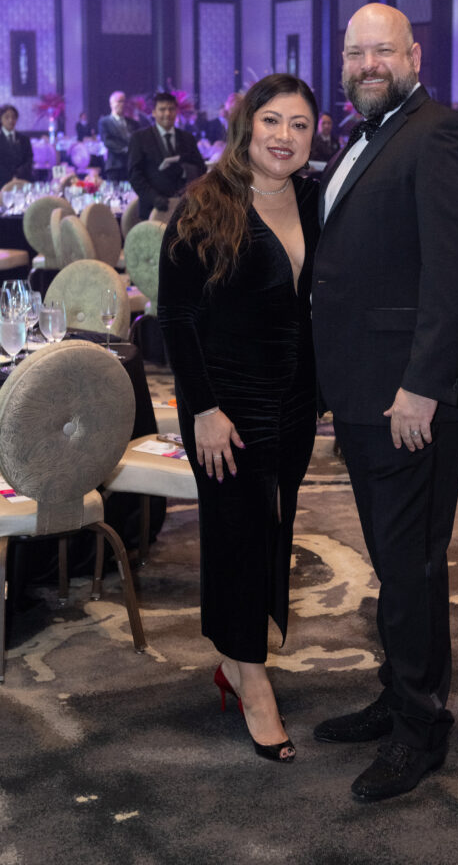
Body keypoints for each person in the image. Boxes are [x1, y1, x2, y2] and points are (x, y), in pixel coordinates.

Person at [311, 3, 458, 800]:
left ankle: (421, 729)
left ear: (413, 54)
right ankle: (398, 695)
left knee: (410, 564)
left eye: (381, 50)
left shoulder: (439, 133)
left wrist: (420, 386)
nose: (366, 63)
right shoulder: (366, 136)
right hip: (364, 391)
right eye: (354, 53)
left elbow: (452, 276)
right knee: (393, 562)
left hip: (408, 397)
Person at [157, 73, 319, 764]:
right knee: (235, 536)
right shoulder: (204, 205)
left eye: (300, 125)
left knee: (270, 530)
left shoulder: (315, 199)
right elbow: (177, 318)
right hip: (226, 403)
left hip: (294, 401)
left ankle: (236, 656)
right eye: (272, 121)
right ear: (246, 126)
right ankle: (251, 681)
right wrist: (204, 410)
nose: (284, 137)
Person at [127, 92, 206, 219]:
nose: (167, 114)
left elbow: (201, 169)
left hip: (185, 210)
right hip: (153, 209)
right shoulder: (140, 138)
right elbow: (135, 175)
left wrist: (186, 171)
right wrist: (155, 198)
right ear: (154, 112)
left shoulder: (187, 138)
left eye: (171, 109)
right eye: (162, 109)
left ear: (176, 111)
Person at [98, 91, 138, 182]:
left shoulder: (133, 123)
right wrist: (126, 150)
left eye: (124, 101)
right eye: (119, 101)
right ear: (111, 104)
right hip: (115, 166)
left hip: (131, 166)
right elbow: (108, 142)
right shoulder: (104, 122)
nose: (122, 104)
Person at [0, 104, 33, 184]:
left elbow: (29, 160)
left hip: (22, 181)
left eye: (13, 117)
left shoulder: (24, 139)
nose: (11, 120)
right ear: (1, 119)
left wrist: (17, 176)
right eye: (7, 117)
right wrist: (10, 178)